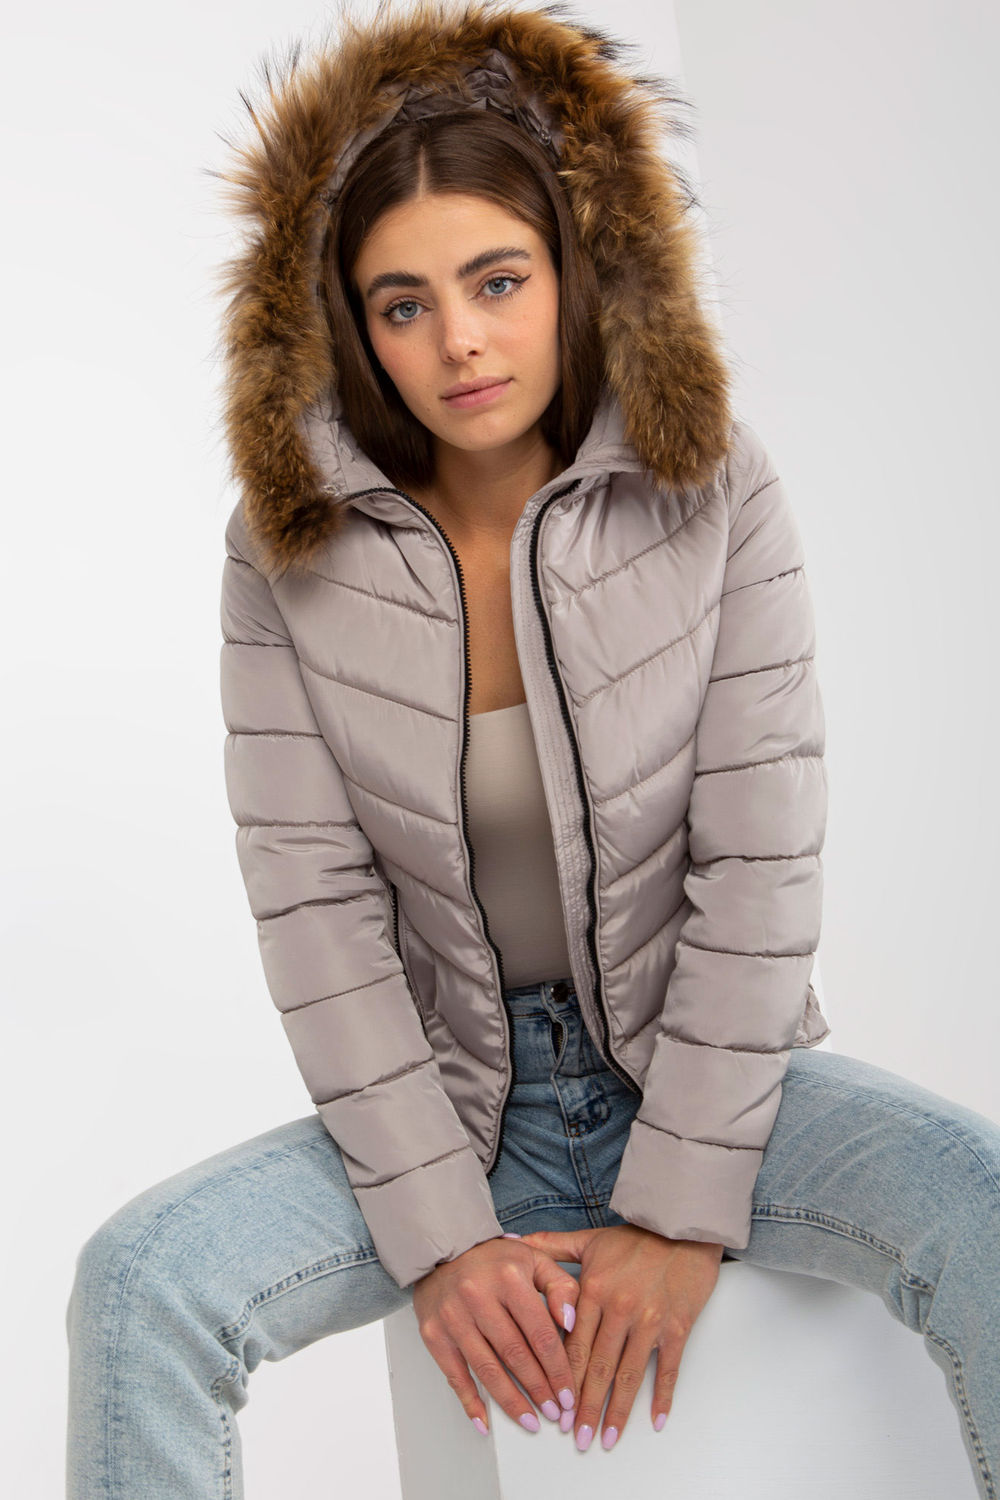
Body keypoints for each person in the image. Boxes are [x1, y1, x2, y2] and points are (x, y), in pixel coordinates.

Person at [64, 3, 1000, 1496]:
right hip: (448, 1109)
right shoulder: (284, 551)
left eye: (497, 280)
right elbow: (316, 913)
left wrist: (679, 1205)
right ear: (351, 327)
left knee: (981, 1200)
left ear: (576, 270)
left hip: (710, 1083)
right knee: (143, 1282)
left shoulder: (713, 487)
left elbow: (760, 863)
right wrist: (440, 1234)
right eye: (403, 303)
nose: (460, 340)